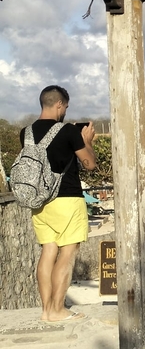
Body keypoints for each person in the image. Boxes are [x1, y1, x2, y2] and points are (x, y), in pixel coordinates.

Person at [20, 85, 96, 323]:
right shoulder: (67, 132)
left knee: (48, 251)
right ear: (60, 104)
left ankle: (46, 310)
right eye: (66, 107)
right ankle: (58, 309)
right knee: (68, 252)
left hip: (40, 202)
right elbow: (90, 164)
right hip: (67, 199)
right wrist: (87, 141)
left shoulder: (26, 132)